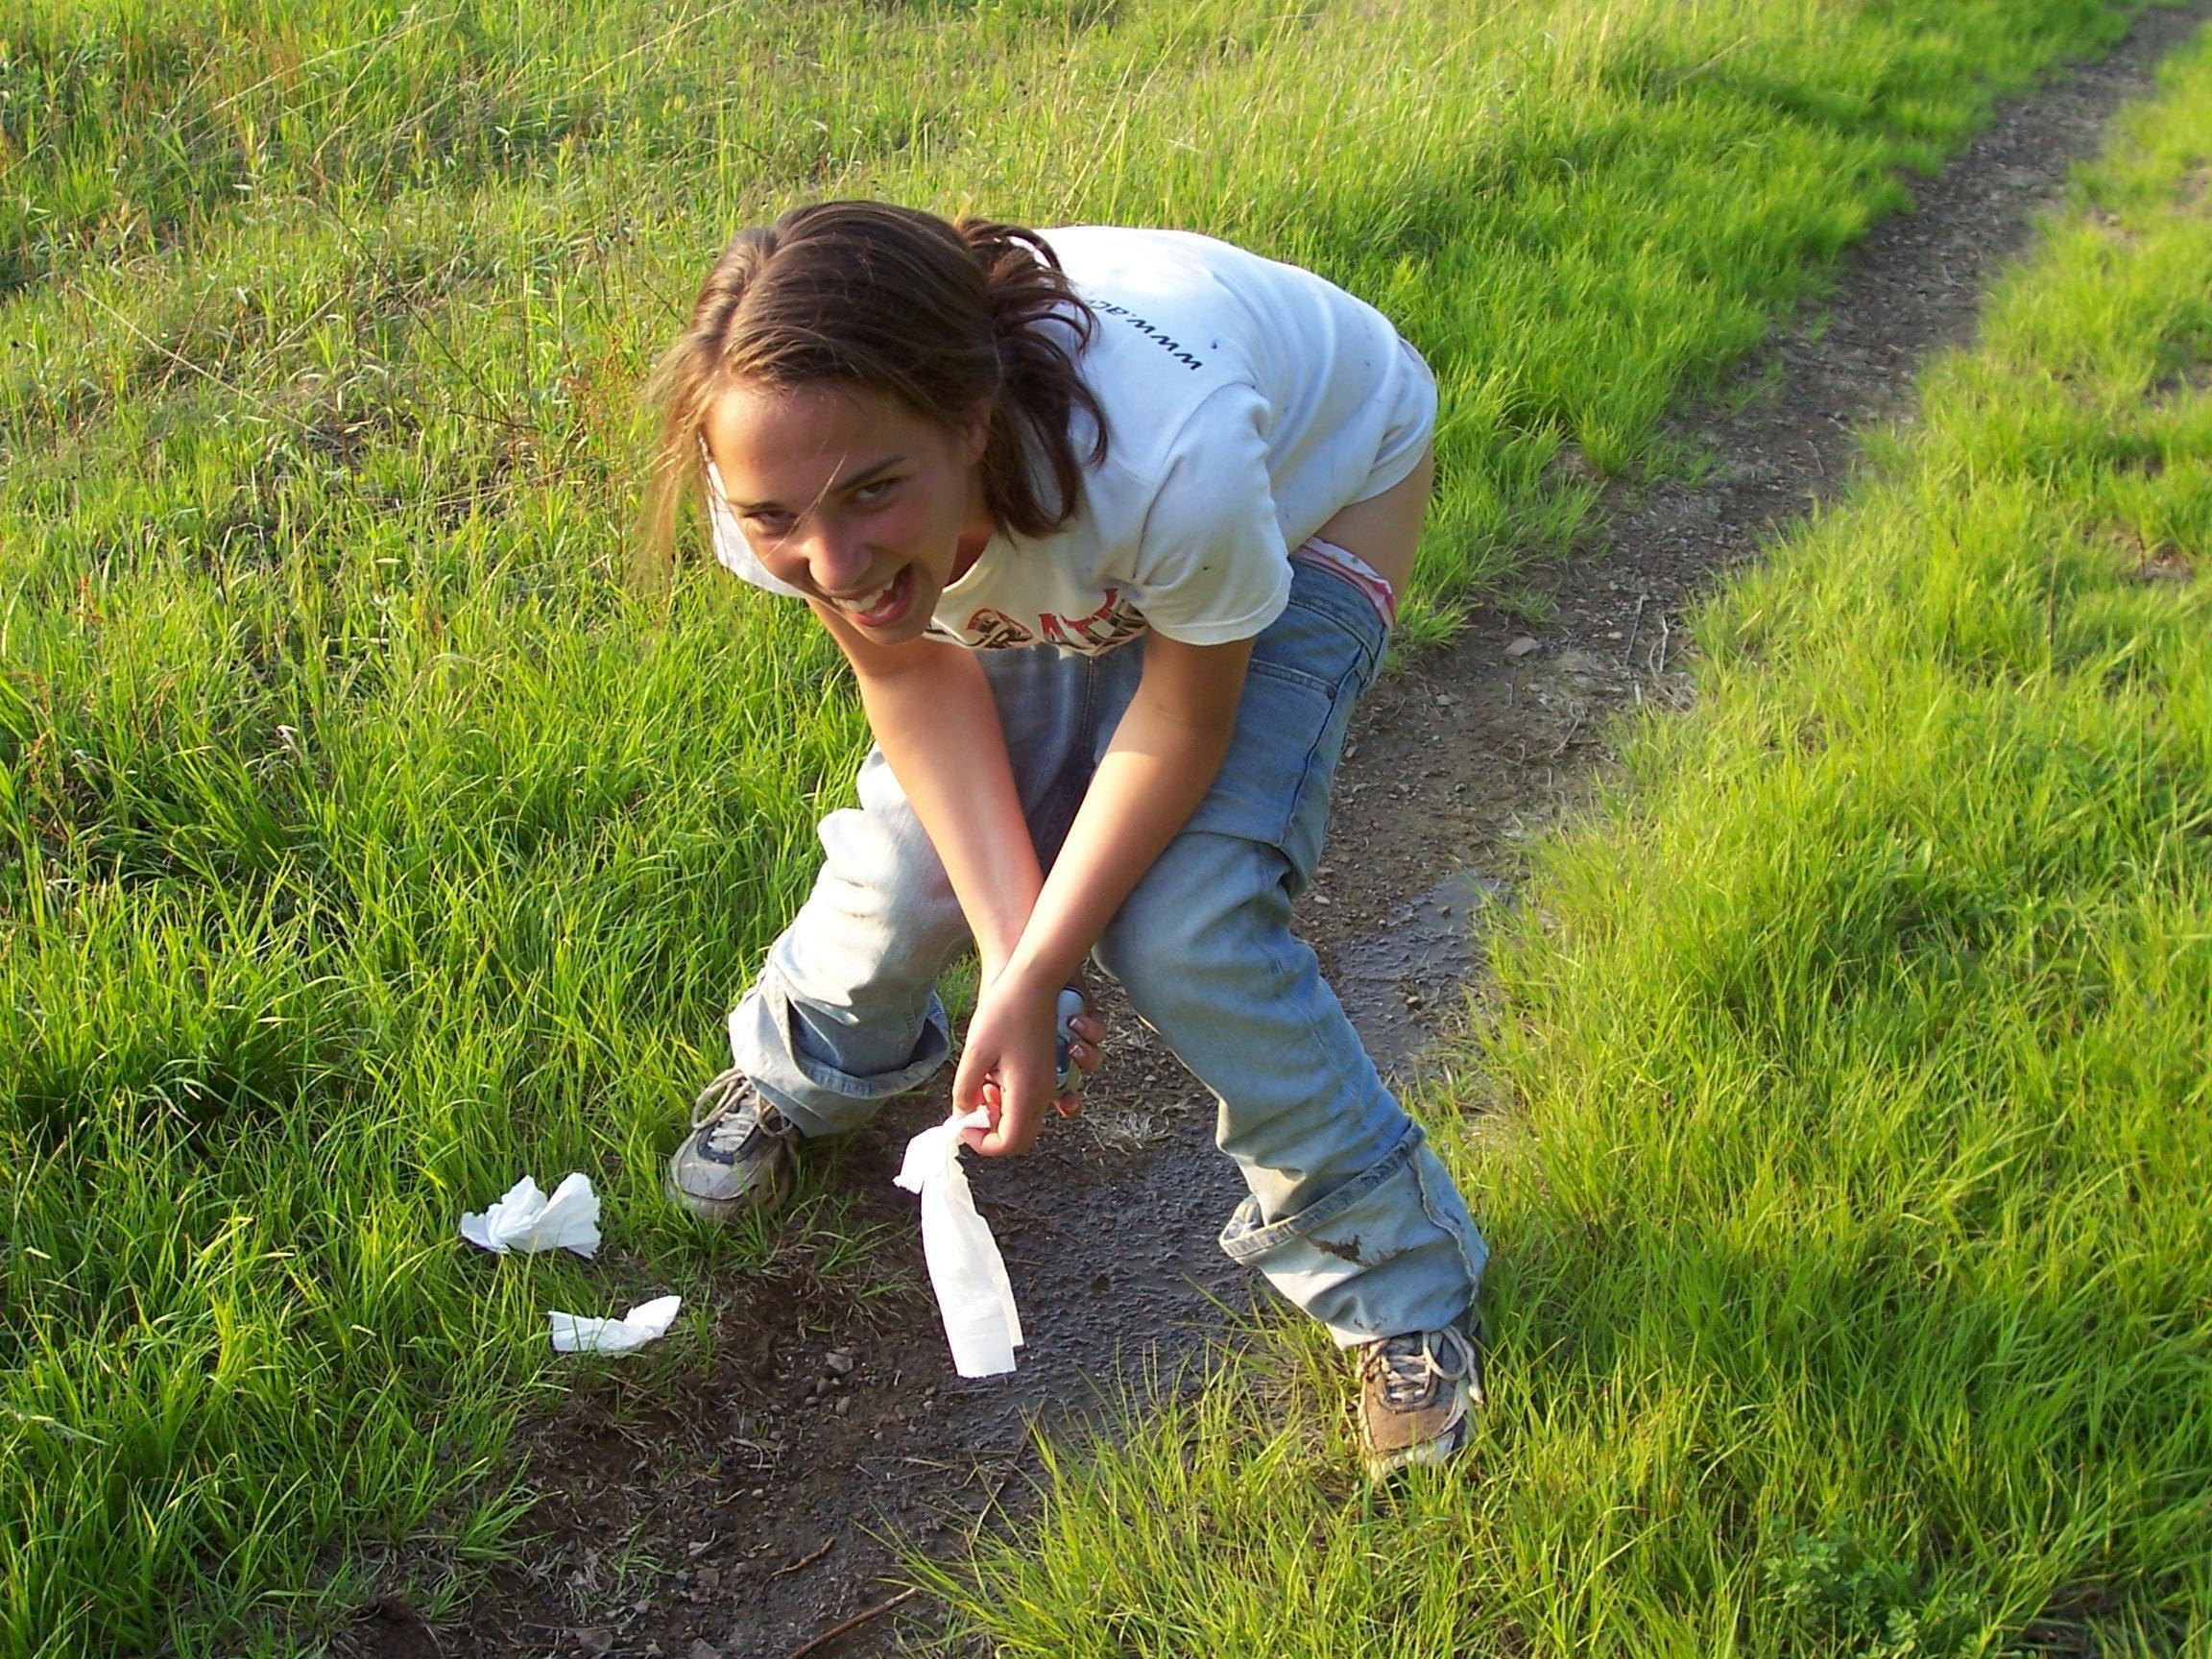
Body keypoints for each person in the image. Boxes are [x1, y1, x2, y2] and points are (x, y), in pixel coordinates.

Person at [643, 202, 1488, 1477]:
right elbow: (909, 677)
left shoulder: (1173, 462)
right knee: (914, 865)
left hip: (1315, 494)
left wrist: (1048, 966)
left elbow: (1181, 721)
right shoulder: (778, 470)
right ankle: (801, 1067)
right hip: (1054, 518)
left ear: (969, 419)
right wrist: (1015, 957)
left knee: (1189, 924)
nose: (831, 559)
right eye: (778, 519)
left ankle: (1400, 1285)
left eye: (872, 492)